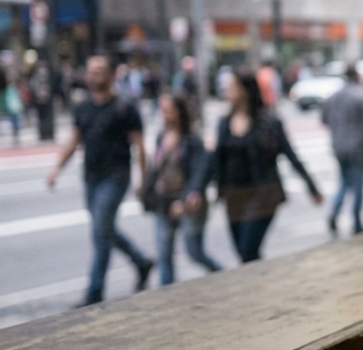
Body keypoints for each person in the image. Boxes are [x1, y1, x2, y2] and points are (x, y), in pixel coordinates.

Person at [46, 54, 155, 304]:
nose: (92, 76)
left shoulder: (125, 108)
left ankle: (95, 291)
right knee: (103, 229)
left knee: (101, 231)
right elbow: (74, 140)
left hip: (116, 176)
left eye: (98, 71)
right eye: (90, 71)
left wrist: (143, 181)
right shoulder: (83, 107)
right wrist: (57, 169)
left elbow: (140, 146)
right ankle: (141, 261)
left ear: (111, 74)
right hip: (91, 177)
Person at [189, 68, 323, 263]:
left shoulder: (269, 123)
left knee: (247, 250)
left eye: (231, 88)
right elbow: (212, 160)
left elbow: (291, 156)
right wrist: (196, 189)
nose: (226, 92)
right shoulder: (224, 124)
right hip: (232, 197)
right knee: (245, 255)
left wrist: (312, 188)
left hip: (263, 196)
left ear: (244, 90)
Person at [143, 93, 221, 285]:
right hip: (164, 202)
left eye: (168, 110)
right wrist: (146, 191)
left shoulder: (192, 141)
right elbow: (155, 169)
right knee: (164, 255)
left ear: (179, 112)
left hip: (187, 203)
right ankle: (167, 295)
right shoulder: (162, 137)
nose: (164, 115)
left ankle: (222, 275)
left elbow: (200, 172)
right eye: (163, 110)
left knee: (194, 251)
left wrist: (188, 197)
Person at [320, 63, 363, 235]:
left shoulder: (334, 97)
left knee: (344, 181)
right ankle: (356, 221)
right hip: (357, 147)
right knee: (357, 184)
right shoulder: (360, 96)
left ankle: (335, 212)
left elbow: (324, 120)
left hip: (339, 146)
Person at [0, 65, 20, 144]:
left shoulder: (11, 90)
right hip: (6, 95)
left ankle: (15, 129)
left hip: (7, 96)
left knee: (13, 113)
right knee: (12, 113)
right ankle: (15, 129)